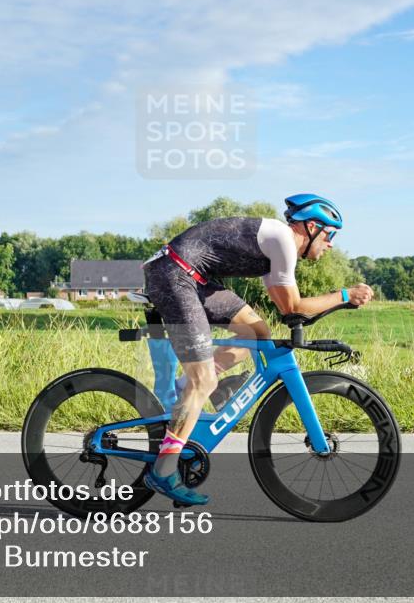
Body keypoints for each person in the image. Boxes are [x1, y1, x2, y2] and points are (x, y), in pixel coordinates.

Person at [141, 193, 374, 505]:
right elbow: (294, 305)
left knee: (257, 333)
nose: (330, 244)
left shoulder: (275, 246)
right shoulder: (282, 241)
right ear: (312, 227)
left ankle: (187, 392)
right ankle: (164, 469)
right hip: (176, 275)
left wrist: (341, 300)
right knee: (204, 380)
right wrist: (344, 294)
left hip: (192, 277)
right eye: (329, 235)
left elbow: (288, 312)